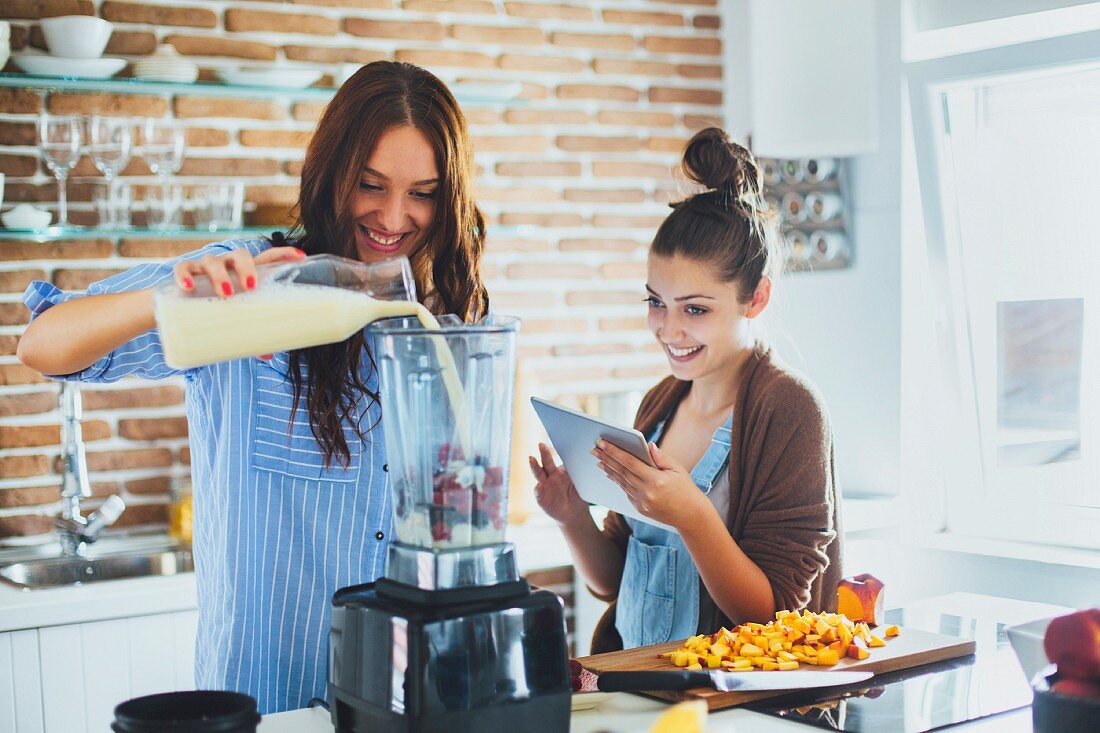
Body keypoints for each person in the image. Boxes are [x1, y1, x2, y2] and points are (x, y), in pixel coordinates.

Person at [17, 61, 489, 713]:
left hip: (411, 699)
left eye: (424, 193)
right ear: (333, 175)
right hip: (269, 705)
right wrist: (177, 296)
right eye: (370, 184)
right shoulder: (252, 285)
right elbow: (44, 344)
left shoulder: (450, 313)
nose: (393, 216)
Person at [530, 127, 842, 653]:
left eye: (695, 309)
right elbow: (613, 582)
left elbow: (779, 614)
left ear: (756, 298)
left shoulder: (788, 409)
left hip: (727, 706)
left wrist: (691, 514)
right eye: (657, 303)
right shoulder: (660, 403)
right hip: (637, 692)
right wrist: (571, 515)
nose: (668, 330)